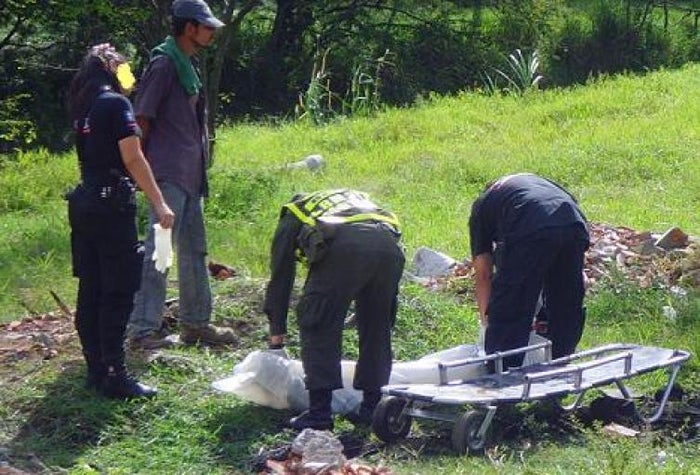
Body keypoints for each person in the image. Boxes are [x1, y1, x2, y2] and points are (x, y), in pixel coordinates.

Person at [66, 43, 175, 399]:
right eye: (126, 68)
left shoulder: (84, 104)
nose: (131, 75)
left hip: (84, 204)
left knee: (91, 288)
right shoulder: (115, 104)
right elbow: (133, 158)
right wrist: (159, 202)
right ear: (113, 67)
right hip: (111, 207)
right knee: (118, 290)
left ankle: (96, 369)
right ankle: (116, 374)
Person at [127, 0, 237, 348]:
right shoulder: (164, 64)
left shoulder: (186, 63)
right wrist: (143, 175)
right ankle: (143, 330)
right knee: (160, 252)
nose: (212, 33)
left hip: (191, 175)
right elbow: (141, 120)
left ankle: (196, 324)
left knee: (194, 250)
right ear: (189, 28)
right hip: (168, 175)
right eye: (206, 27)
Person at [263, 189, 405, 430]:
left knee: (318, 319)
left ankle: (319, 413)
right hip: (390, 248)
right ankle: (372, 408)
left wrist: (277, 329)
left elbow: (281, 274)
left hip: (345, 248)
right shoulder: (353, 199)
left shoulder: (294, 212)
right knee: (376, 327)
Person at [469, 173, 590, 369]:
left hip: (529, 225)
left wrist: (487, 323)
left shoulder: (483, 205)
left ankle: (503, 377)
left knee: (510, 306)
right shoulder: (539, 183)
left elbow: (483, 274)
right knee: (566, 302)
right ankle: (561, 367)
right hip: (574, 222)